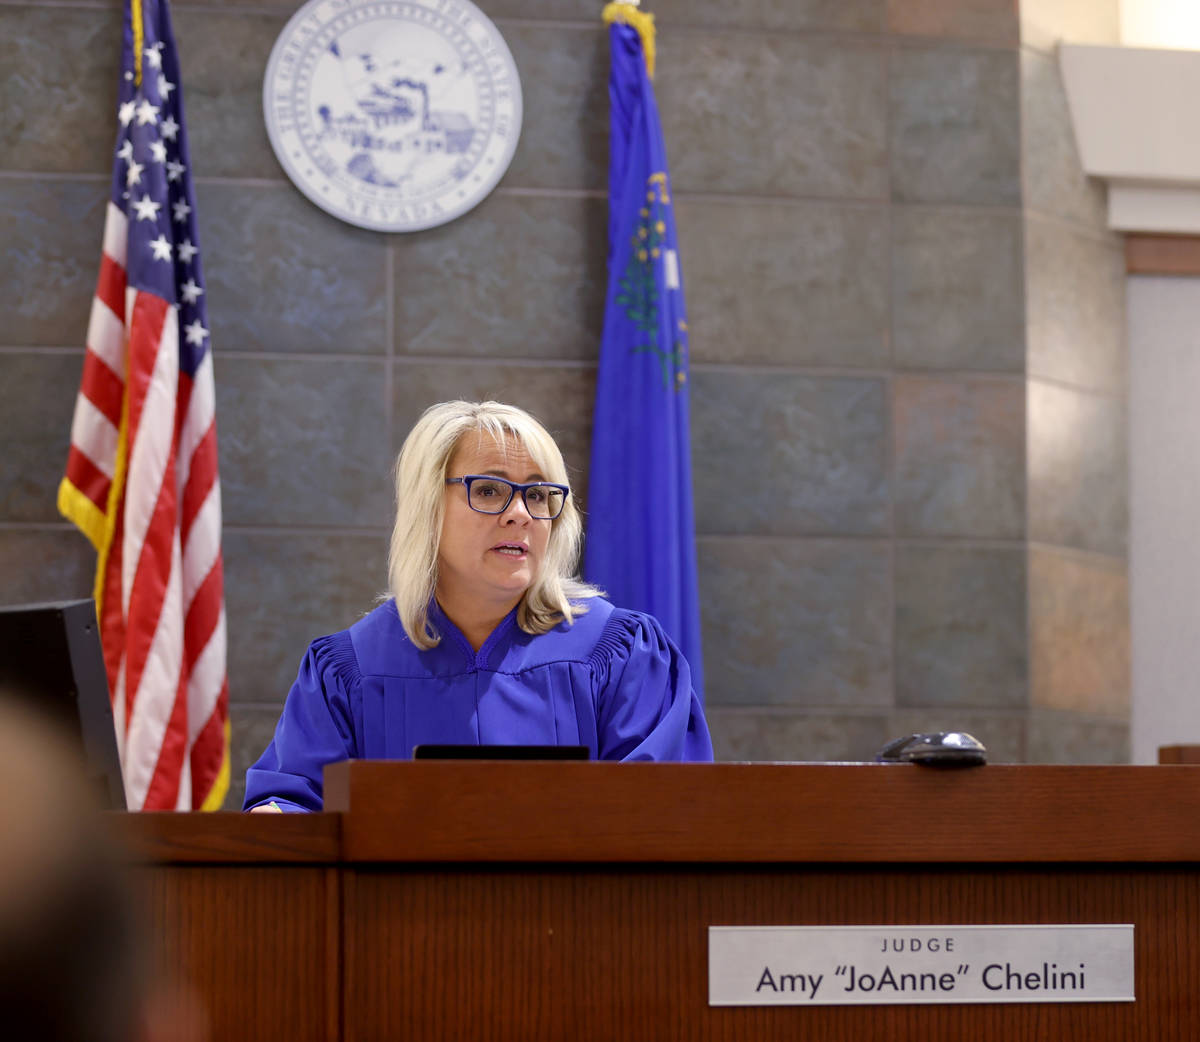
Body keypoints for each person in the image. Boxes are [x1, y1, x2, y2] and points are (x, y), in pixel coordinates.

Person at [245, 400, 712, 812]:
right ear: (427, 507)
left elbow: (666, 813)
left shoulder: (623, 657)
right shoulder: (350, 670)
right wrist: (277, 818)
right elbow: (293, 800)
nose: (520, 513)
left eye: (537, 494)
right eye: (489, 489)